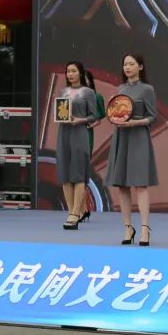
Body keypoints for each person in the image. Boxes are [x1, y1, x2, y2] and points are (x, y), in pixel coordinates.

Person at [105, 53, 159, 246]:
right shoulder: (120, 89)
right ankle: (128, 227)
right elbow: (116, 114)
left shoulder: (147, 89)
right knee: (122, 184)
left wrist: (135, 123)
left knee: (141, 184)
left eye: (131, 64)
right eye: (125, 64)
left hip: (138, 137)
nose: (127, 67)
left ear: (140, 67)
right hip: (122, 137)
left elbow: (153, 117)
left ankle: (145, 228)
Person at [55, 61, 97, 230]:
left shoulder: (88, 92)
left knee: (78, 173)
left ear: (80, 73)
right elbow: (60, 111)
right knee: (65, 173)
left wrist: (81, 120)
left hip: (80, 133)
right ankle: (72, 212)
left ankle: (75, 213)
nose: (70, 74)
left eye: (73, 71)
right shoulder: (63, 91)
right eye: (68, 71)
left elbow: (94, 116)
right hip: (64, 133)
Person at [81, 69, 107, 222]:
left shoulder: (97, 97)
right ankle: (80, 209)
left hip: (85, 134)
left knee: (81, 171)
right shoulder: (73, 95)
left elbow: (100, 117)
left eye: (85, 79)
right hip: (71, 133)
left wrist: (91, 124)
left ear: (90, 81)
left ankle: (83, 209)